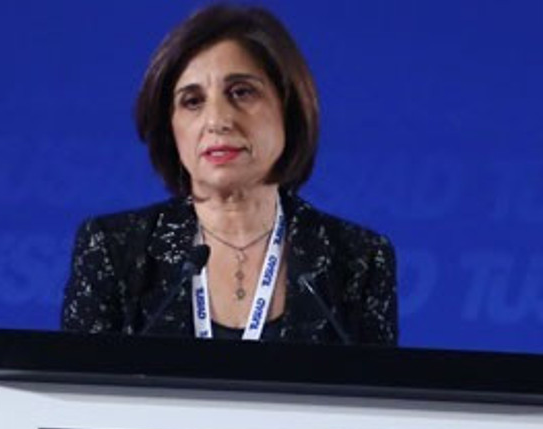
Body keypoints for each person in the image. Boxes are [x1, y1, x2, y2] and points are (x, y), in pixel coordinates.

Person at [61, 4, 397, 345]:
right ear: (170, 127)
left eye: (241, 92)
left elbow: (375, 381)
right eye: (193, 101)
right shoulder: (114, 251)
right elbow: (77, 379)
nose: (217, 120)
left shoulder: (358, 260)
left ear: (288, 107)